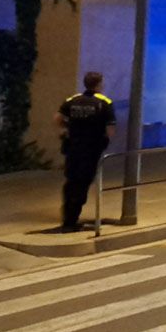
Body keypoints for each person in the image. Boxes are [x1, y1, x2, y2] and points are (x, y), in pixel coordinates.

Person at [54, 71, 116, 232]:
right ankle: (72, 219)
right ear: (99, 85)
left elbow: (58, 119)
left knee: (71, 180)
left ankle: (68, 215)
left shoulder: (72, 100)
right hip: (91, 149)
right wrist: (106, 142)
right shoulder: (104, 102)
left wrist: (64, 132)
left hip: (73, 147)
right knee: (83, 182)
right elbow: (110, 128)